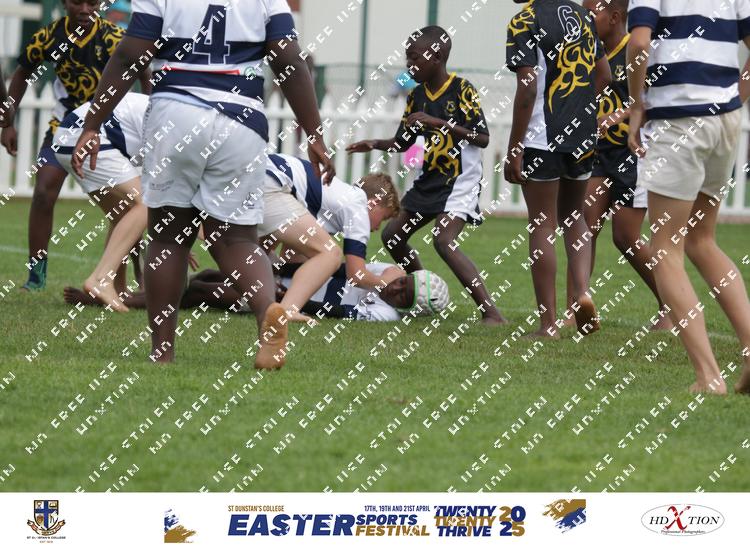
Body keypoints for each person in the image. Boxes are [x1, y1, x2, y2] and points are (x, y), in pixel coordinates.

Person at [72, 0, 335, 368]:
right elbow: (289, 59)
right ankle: (267, 312)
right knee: (237, 239)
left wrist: (92, 124)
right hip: (242, 120)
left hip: (176, 113)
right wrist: (315, 134)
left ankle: (162, 352)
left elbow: (130, 54)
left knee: (168, 237)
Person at [628, 0, 750, 394]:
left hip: (678, 119)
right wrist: (737, 96)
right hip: (725, 118)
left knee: (665, 248)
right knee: (702, 241)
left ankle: (708, 377)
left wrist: (636, 105)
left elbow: (639, 43)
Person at [347, 26, 506, 326]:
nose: (409, 64)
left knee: (443, 240)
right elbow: (402, 142)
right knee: (392, 235)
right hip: (429, 180)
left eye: (414, 57)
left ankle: (492, 313)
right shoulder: (416, 95)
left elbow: (482, 138)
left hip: (458, 181)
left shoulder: (462, 89)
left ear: (437, 57)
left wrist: (438, 123)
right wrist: (374, 143)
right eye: (407, 58)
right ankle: (421, 291)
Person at [1, 0, 151, 291]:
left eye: (92, 3)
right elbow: (21, 73)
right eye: (76, 2)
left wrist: (150, 114)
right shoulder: (48, 36)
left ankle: (138, 270)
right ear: (63, 3)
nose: (84, 9)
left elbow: (145, 75)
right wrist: (8, 122)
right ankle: (36, 276)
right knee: (43, 192)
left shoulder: (114, 38)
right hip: (64, 129)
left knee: (125, 206)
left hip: (110, 131)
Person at [504, 0, 611, 338]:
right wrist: (579, 111)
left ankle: (548, 324)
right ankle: (581, 293)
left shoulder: (524, 20)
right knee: (574, 216)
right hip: (582, 135)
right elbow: (604, 75)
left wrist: (514, 147)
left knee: (542, 223)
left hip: (542, 136)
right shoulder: (584, 17)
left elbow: (527, 88)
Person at [569, 0, 670, 330]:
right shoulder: (589, 53)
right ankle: (576, 309)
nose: (584, 19)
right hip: (600, 154)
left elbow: (653, 99)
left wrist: (619, 116)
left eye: (591, 13)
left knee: (625, 236)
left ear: (614, 17)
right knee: (585, 227)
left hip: (632, 153)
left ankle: (670, 305)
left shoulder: (637, 50)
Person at [64, 262, 452, 324]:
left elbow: (331, 311)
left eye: (403, 294)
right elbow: (336, 267)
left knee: (202, 291)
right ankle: (134, 295)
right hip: (289, 283)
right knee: (210, 274)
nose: (395, 287)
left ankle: (117, 300)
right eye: (403, 281)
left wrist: (283, 296)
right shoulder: (388, 274)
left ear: (408, 309)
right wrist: (284, 269)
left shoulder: (385, 315)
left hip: (284, 300)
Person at [53, 92, 148, 310]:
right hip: (84, 137)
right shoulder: (181, 129)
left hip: (72, 134)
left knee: (123, 214)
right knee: (147, 203)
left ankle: (116, 289)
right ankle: (101, 279)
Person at [264, 155, 402, 289]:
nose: (378, 228)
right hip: (274, 181)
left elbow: (292, 258)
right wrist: (387, 281)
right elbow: (356, 276)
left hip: (268, 172)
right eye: (383, 218)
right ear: (373, 203)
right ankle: (285, 303)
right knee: (330, 255)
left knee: (261, 257)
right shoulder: (358, 208)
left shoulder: (334, 201)